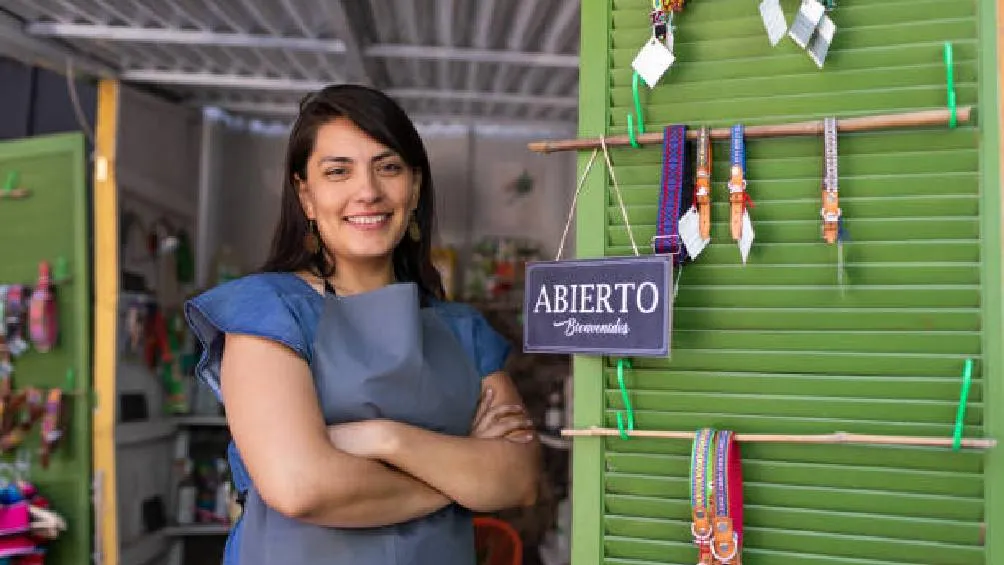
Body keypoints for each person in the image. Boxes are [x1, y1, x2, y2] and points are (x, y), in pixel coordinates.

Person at [184, 84, 541, 565]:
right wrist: (461, 480)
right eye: (338, 172)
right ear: (305, 196)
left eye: (388, 167)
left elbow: (518, 481)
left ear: (414, 188)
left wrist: (382, 437)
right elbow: (301, 487)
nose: (368, 191)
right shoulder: (267, 311)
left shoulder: (463, 331)